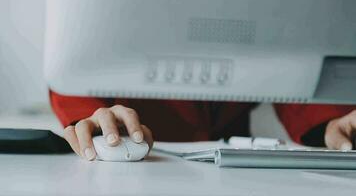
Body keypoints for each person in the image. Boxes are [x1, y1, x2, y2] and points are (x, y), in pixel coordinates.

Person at [49, 90, 356, 161]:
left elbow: (286, 57)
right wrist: (91, 116)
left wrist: (330, 121)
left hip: (235, 164)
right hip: (138, 155)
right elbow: (75, 56)